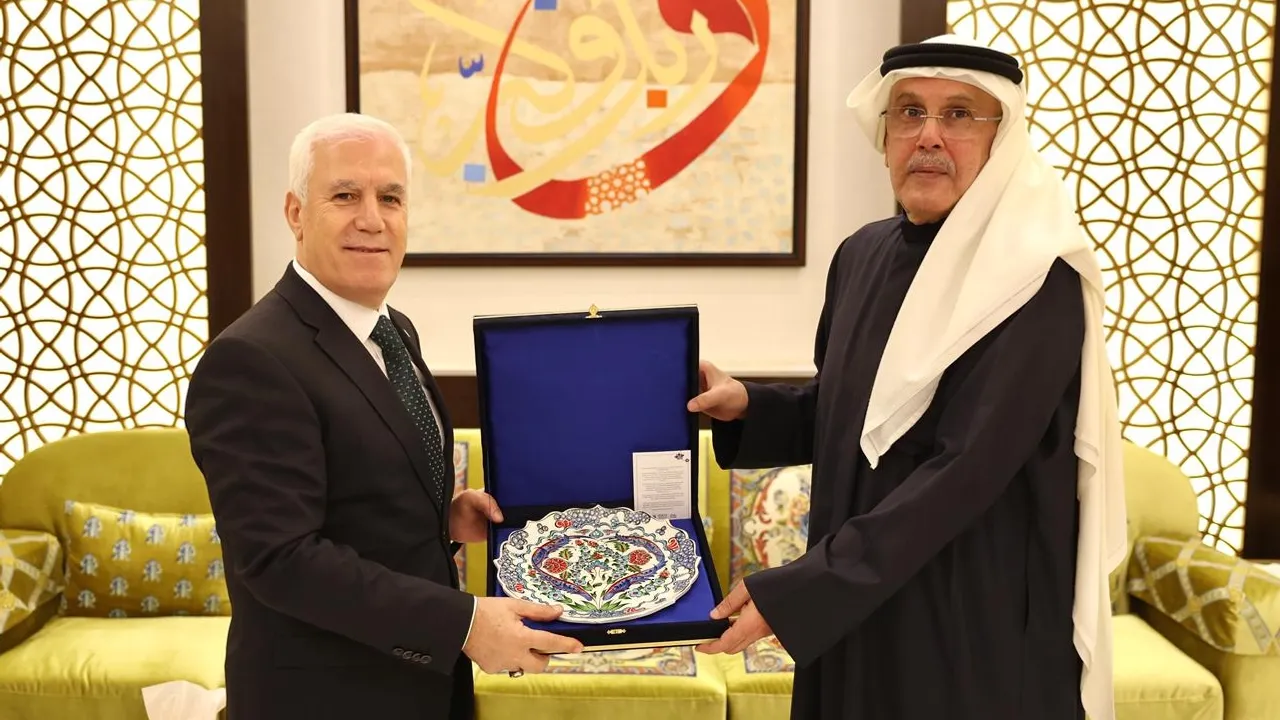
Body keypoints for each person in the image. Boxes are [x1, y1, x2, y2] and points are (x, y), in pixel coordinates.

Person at [688, 35, 1127, 720]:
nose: (928, 135)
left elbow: (965, 471)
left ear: (1001, 138)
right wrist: (749, 406)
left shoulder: (1036, 280)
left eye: (959, 114)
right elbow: (854, 415)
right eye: (910, 112)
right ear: (885, 132)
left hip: (968, 620)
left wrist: (805, 589)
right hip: (857, 604)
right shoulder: (862, 256)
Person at [184, 112, 582, 720]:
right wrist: (465, 624)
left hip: (423, 684)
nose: (372, 218)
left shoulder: (393, 332)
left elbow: (357, 495)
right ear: (296, 212)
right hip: (322, 699)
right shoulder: (250, 359)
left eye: (390, 198)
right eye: (345, 195)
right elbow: (280, 560)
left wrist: (443, 518)